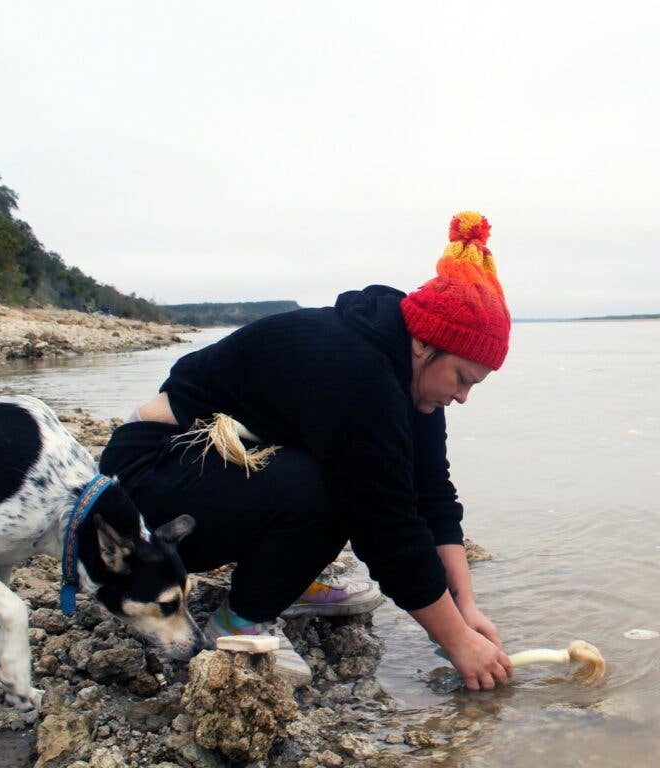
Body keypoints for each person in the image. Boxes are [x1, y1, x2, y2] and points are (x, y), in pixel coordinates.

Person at [99, 211, 514, 691]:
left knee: (351, 475)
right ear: (426, 345)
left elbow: (433, 495)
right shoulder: (359, 375)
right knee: (339, 489)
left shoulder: (408, 372)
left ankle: (285, 579)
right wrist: (457, 643)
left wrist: (465, 612)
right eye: (462, 378)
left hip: (205, 474)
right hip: (142, 493)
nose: (462, 396)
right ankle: (240, 623)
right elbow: (387, 531)